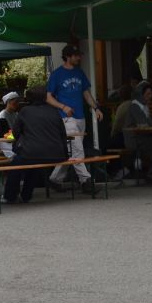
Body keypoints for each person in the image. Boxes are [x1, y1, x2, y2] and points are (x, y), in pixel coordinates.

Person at [46, 44, 103, 195]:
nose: (79, 58)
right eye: (76, 55)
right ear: (68, 56)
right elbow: (48, 97)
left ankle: (54, 179)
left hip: (80, 117)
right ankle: (86, 182)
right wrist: (63, 107)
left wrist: (96, 108)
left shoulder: (79, 72)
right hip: (66, 119)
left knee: (71, 151)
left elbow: (86, 93)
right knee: (77, 149)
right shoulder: (57, 74)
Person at [2, 86, 70, 204]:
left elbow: (15, 133)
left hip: (33, 153)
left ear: (29, 98)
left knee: (17, 164)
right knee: (33, 163)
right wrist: (65, 154)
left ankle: (10, 196)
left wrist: (9, 138)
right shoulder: (54, 111)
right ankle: (26, 195)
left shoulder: (25, 111)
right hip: (56, 154)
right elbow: (62, 134)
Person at [122, 81, 152, 182]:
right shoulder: (135, 106)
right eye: (147, 94)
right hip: (134, 139)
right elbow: (143, 122)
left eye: (151, 94)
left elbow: (148, 121)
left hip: (142, 137)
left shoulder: (144, 106)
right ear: (140, 94)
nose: (150, 96)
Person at [0, 92, 21, 159]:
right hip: (7, 146)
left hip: (15, 142)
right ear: (8, 102)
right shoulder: (2, 117)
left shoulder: (15, 114)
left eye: (18, 102)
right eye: (15, 102)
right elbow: (7, 137)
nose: (17, 104)